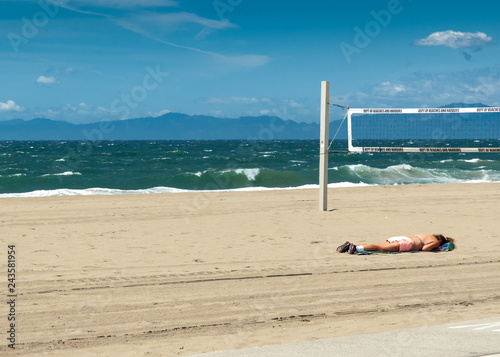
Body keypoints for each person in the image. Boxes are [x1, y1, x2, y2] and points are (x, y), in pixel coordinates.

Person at [337, 234, 455, 254]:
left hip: (402, 238)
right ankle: (356, 247)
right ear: (441, 241)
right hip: (407, 244)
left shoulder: (427, 235)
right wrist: (436, 248)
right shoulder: (435, 241)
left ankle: (351, 245)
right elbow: (425, 249)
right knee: (380, 248)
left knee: (379, 245)